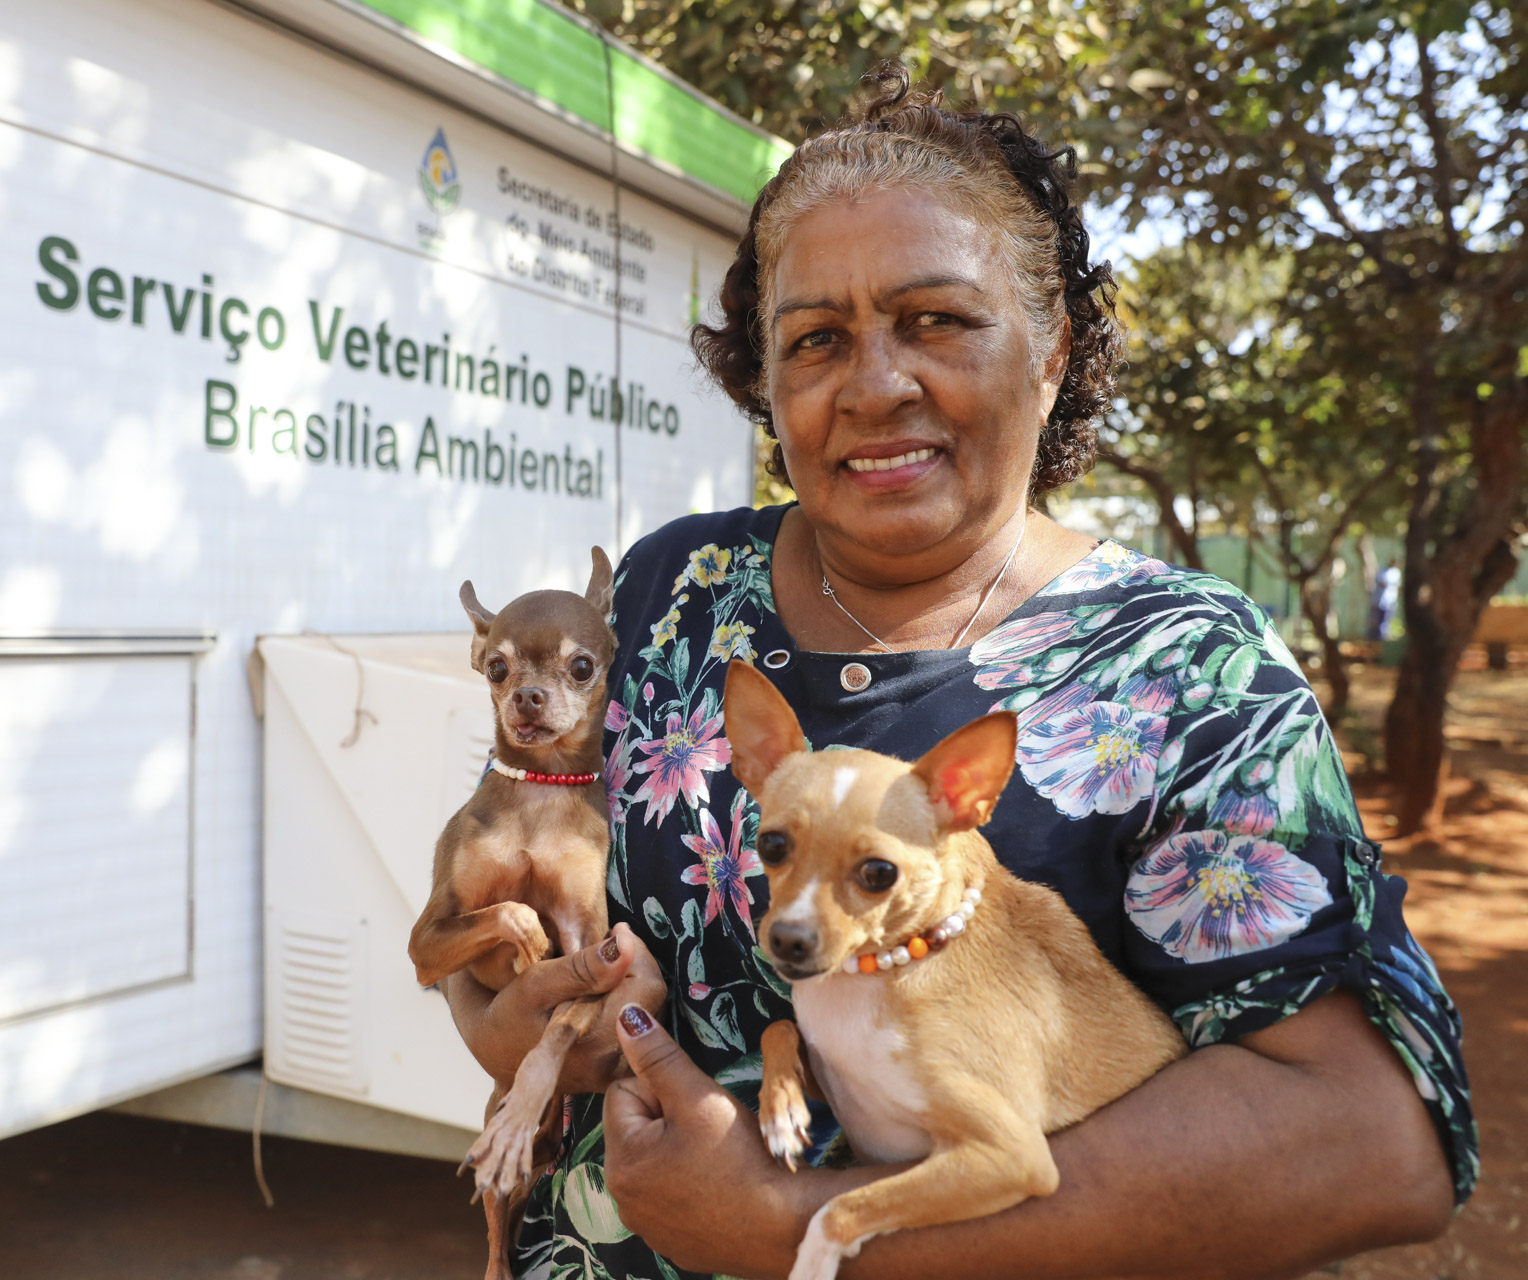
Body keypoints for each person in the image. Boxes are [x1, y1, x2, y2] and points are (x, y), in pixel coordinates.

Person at [440, 64, 1471, 1280]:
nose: (876, 384)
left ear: (1051, 350)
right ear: (764, 382)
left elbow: (1374, 1134)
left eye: (937, 319)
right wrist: (499, 1019)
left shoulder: (1188, 669)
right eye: (816, 338)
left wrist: (797, 1231)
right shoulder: (671, 595)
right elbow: (533, 878)